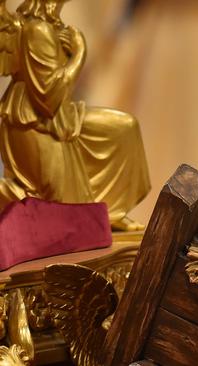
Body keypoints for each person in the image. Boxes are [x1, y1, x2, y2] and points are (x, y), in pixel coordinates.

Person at [0, 0, 150, 231]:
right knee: (63, 210)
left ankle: (110, 211)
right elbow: (48, 98)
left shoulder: (51, 24)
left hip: (57, 118)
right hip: (34, 124)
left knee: (125, 128)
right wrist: (78, 56)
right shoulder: (37, 29)